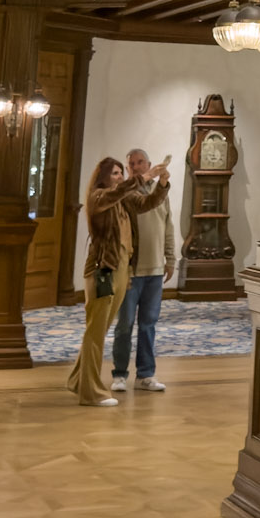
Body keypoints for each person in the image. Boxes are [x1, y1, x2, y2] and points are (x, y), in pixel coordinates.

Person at [68, 156, 168, 407]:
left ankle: (78, 380)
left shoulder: (123, 198)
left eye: (120, 173)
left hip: (124, 268)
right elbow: (120, 192)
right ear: (102, 177)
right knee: (96, 330)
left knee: (100, 328)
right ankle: (91, 392)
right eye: (114, 173)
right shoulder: (99, 197)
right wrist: (143, 177)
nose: (119, 178)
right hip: (104, 269)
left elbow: (147, 203)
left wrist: (162, 185)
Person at [110, 149, 177, 393]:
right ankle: (119, 374)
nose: (136, 167)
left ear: (148, 163)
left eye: (140, 163)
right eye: (131, 165)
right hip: (131, 271)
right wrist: (149, 178)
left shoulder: (162, 193)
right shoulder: (125, 193)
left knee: (148, 324)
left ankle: (146, 374)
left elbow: (168, 225)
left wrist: (171, 258)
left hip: (155, 271)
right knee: (125, 325)